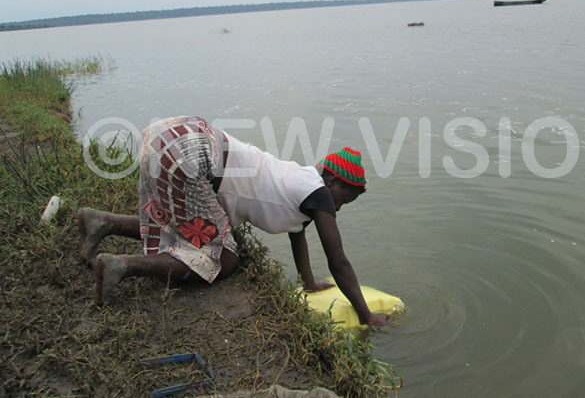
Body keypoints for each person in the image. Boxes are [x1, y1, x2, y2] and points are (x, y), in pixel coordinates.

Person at [79, 115, 389, 326]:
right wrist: (365, 315)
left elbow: (298, 234)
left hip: (171, 136)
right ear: (333, 181)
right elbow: (339, 263)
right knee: (224, 260)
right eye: (344, 198)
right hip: (192, 153)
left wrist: (308, 283)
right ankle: (123, 266)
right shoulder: (319, 194)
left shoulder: (303, 182)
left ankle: (102, 222)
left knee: (181, 227)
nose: (339, 207)